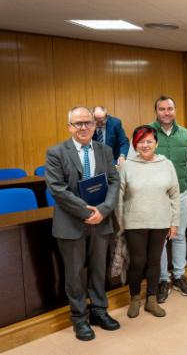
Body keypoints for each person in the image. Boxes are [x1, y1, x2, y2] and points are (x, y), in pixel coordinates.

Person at [45, 106, 120, 341]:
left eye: (88, 122)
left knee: (99, 270)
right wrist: (85, 212)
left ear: (95, 125)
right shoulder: (56, 152)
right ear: (69, 127)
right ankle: (79, 319)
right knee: (75, 275)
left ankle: (99, 311)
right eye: (78, 123)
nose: (84, 127)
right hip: (71, 224)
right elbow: (57, 188)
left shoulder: (105, 150)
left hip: (101, 221)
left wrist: (104, 210)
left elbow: (114, 181)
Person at [118, 125, 179, 319]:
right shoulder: (126, 165)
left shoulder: (166, 164)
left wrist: (174, 222)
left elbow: (175, 194)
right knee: (138, 262)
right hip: (134, 222)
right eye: (141, 142)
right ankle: (135, 298)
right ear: (135, 144)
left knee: (154, 262)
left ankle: (151, 300)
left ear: (156, 143)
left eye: (149, 141)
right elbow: (119, 197)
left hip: (160, 221)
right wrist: (120, 224)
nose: (145, 145)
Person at [149, 96, 187, 302]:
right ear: (156, 111)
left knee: (179, 236)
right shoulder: (146, 133)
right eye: (162, 109)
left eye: (170, 108)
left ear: (175, 110)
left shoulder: (185, 134)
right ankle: (163, 279)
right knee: (159, 239)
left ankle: (179, 275)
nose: (166, 112)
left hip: (181, 194)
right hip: (156, 197)